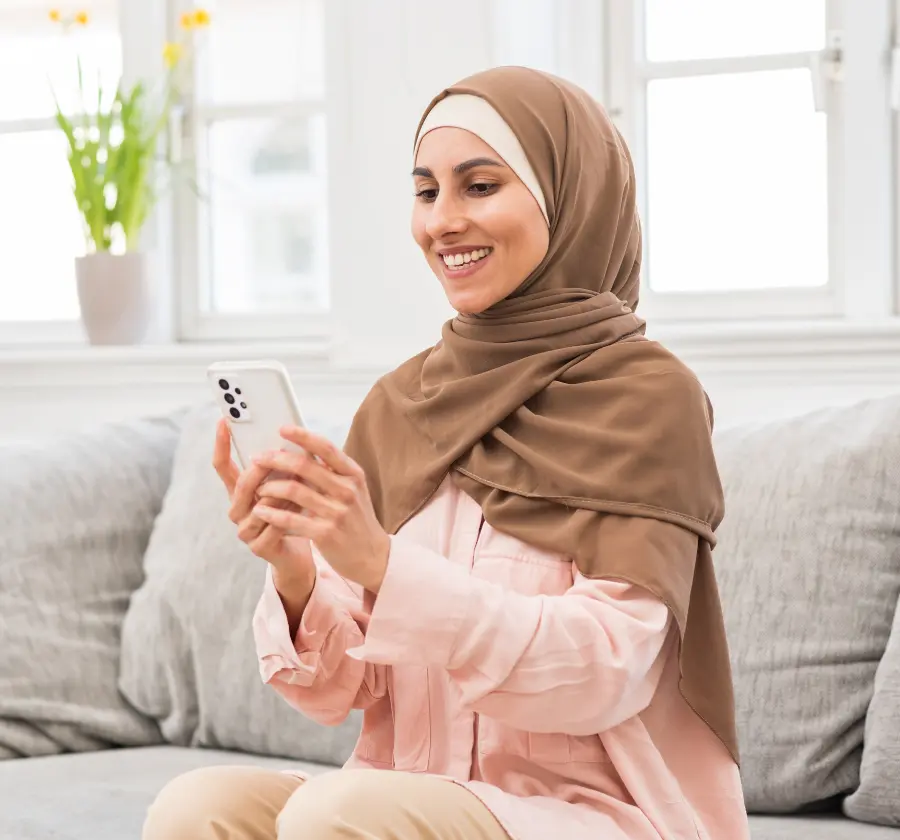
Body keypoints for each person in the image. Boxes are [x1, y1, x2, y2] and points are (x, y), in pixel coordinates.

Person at [142, 66, 750, 840]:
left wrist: (382, 568)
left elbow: (604, 671)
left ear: (569, 199)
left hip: (597, 816)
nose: (443, 222)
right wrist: (295, 571)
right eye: (427, 192)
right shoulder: (404, 403)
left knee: (337, 815)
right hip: (417, 796)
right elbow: (341, 689)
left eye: (480, 186)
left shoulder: (646, 399)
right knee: (197, 808)